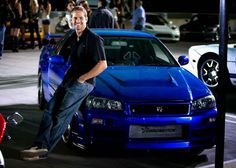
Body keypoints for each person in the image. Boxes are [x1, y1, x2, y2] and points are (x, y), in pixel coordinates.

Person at [20, 5, 107, 161]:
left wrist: (83, 78)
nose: (78, 21)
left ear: (86, 19)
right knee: (49, 110)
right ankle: (38, 144)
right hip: (69, 80)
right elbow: (59, 53)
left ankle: (43, 150)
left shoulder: (94, 39)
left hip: (83, 83)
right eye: (75, 18)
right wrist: (51, 47)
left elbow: (102, 64)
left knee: (61, 115)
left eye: (81, 18)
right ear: (71, 20)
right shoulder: (73, 37)